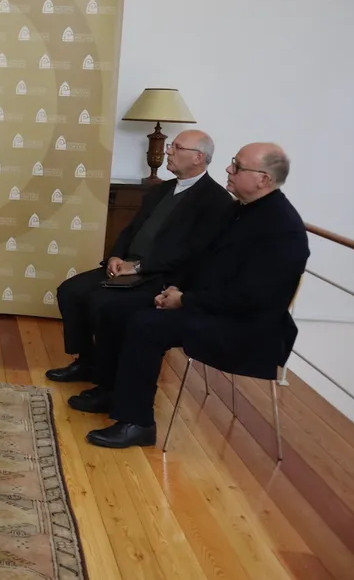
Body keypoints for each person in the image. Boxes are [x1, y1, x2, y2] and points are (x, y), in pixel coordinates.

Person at [87, 143, 309, 449]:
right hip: (210, 305)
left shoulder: (283, 230)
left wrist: (185, 301)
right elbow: (200, 261)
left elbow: (251, 299)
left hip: (246, 326)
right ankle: (112, 392)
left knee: (146, 325)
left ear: (263, 179)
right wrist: (175, 290)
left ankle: (137, 423)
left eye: (238, 166)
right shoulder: (238, 210)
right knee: (118, 307)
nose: (228, 169)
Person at [47, 130, 235, 414]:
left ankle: (109, 386)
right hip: (129, 266)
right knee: (71, 291)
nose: (169, 151)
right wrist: (115, 256)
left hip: (163, 277)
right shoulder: (161, 189)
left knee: (105, 304)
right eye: (170, 146)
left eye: (177, 147)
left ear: (198, 157)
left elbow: (191, 252)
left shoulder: (216, 200)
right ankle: (88, 362)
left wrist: (138, 267)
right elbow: (130, 229)